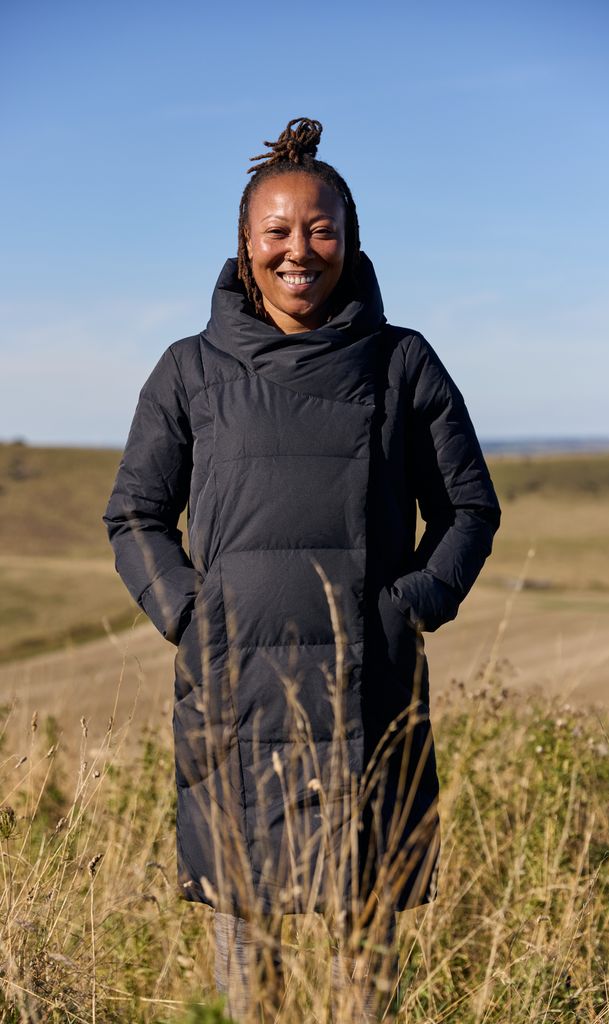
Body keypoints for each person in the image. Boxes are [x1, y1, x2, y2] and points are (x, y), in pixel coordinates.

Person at [103, 116, 501, 1022]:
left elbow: (468, 508)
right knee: (249, 957)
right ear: (245, 245)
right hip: (232, 692)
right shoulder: (188, 371)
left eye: (320, 229)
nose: (299, 251)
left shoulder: (403, 363)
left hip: (373, 688)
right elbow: (134, 513)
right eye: (277, 231)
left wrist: (412, 605)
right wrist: (190, 614)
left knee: (366, 956)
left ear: (350, 240)